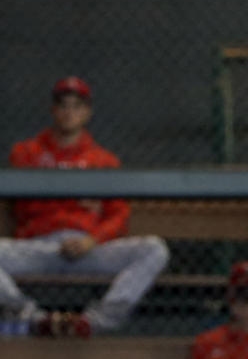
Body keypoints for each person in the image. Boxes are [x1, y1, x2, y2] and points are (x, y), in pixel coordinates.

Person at [1, 76, 169, 337]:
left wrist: (93, 239)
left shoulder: (104, 160)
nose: (69, 112)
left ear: (87, 113)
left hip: (90, 249)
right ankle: (32, 318)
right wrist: (74, 201)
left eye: (76, 106)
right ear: (53, 110)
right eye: (63, 105)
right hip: (41, 247)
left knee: (154, 249)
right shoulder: (26, 152)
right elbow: (24, 208)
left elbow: (119, 215)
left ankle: (94, 322)